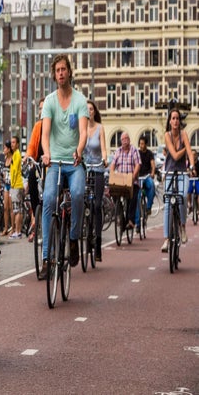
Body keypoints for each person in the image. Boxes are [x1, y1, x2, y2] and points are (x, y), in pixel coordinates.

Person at [40, 54, 88, 278]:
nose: (60, 73)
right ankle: (46, 257)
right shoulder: (49, 101)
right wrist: (47, 153)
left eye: (63, 69)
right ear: (54, 74)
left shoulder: (80, 100)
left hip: (74, 161)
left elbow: (84, 132)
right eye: (57, 70)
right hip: (55, 162)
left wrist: (78, 152)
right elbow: (45, 133)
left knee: (78, 193)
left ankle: (74, 237)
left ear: (69, 72)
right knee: (49, 199)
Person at [161, 108, 195, 250]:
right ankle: (167, 239)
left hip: (182, 172)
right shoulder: (167, 135)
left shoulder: (184, 134)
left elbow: (191, 154)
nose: (175, 121)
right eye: (173, 118)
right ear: (170, 121)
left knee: (181, 196)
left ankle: (182, 226)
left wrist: (192, 165)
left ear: (179, 121)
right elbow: (174, 156)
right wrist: (186, 150)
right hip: (169, 172)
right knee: (168, 203)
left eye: (177, 118)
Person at [83, 100, 107, 261]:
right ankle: (86, 232)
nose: (89, 111)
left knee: (97, 206)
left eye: (91, 109)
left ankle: (97, 243)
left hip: (97, 169)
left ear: (94, 112)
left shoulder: (100, 128)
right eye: (86, 109)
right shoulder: (82, 128)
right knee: (85, 205)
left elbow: (104, 148)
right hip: (85, 170)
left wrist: (105, 159)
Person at [109, 132, 141, 234]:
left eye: (126, 138)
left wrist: (133, 176)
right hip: (120, 181)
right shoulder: (118, 151)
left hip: (132, 180)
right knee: (113, 194)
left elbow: (137, 165)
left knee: (133, 196)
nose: (125, 141)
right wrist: (112, 174)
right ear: (121, 141)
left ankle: (131, 220)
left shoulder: (134, 150)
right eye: (123, 139)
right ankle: (120, 217)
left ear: (129, 140)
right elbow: (113, 165)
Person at [24, 98, 45, 242]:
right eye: (39, 108)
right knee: (31, 176)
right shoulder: (38, 126)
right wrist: (27, 156)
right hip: (39, 164)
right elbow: (32, 145)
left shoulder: (54, 125)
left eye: (44, 108)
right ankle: (36, 213)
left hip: (51, 164)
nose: (41, 111)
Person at [135, 136, 156, 226]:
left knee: (152, 186)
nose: (141, 145)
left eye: (142, 144)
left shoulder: (149, 153)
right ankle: (137, 224)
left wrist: (152, 173)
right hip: (139, 177)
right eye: (140, 144)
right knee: (137, 198)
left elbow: (153, 165)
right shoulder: (137, 153)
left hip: (147, 176)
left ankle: (148, 207)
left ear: (146, 144)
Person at [9, 135, 24, 239]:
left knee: (17, 209)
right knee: (17, 208)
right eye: (11, 142)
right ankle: (17, 231)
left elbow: (14, 171)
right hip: (16, 184)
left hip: (16, 184)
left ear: (17, 144)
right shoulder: (15, 154)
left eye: (14, 142)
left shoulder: (17, 154)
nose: (12, 144)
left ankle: (18, 231)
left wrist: (12, 183)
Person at [0, 141, 13, 236]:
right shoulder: (5, 159)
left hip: (11, 185)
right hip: (5, 185)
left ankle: (12, 227)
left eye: (4, 148)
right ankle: (5, 228)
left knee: (11, 208)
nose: (3, 150)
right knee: (5, 208)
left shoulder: (12, 158)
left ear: (8, 149)